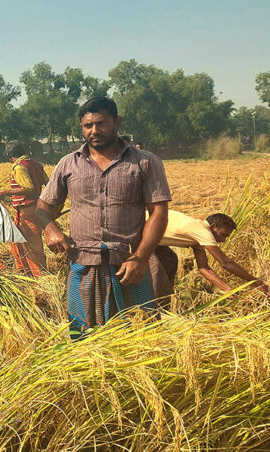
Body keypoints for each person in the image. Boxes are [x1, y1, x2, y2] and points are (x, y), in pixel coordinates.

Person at [36, 97, 172, 335]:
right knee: (83, 337)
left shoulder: (144, 162)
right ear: (81, 128)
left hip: (130, 265)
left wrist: (141, 258)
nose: (94, 131)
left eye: (101, 123)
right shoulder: (68, 164)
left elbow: (158, 213)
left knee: (140, 337)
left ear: (116, 122)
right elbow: (43, 207)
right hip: (83, 263)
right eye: (88, 126)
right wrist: (50, 228)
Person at [154, 210, 270, 296]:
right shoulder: (202, 231)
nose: (223, 240)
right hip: (139, 234)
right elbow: (225, 262)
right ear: (213, 226)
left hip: (154, 241)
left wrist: (227, 289)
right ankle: (153, 307)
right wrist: (257, 283)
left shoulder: (198, 235)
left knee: (170, 259)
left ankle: (164, 299)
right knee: (157, 269)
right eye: (223, 234)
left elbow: (204, 268)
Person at [0, 140, 49, 277]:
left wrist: (5, 192)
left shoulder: (19, 167)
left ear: (9, 155)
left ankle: (40, 278)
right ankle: (24, 272)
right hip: (32, 210)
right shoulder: (36, 164)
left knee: (31, 246)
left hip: (27, 212)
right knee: (18, 242)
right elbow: (48, 183)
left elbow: (28, 188)